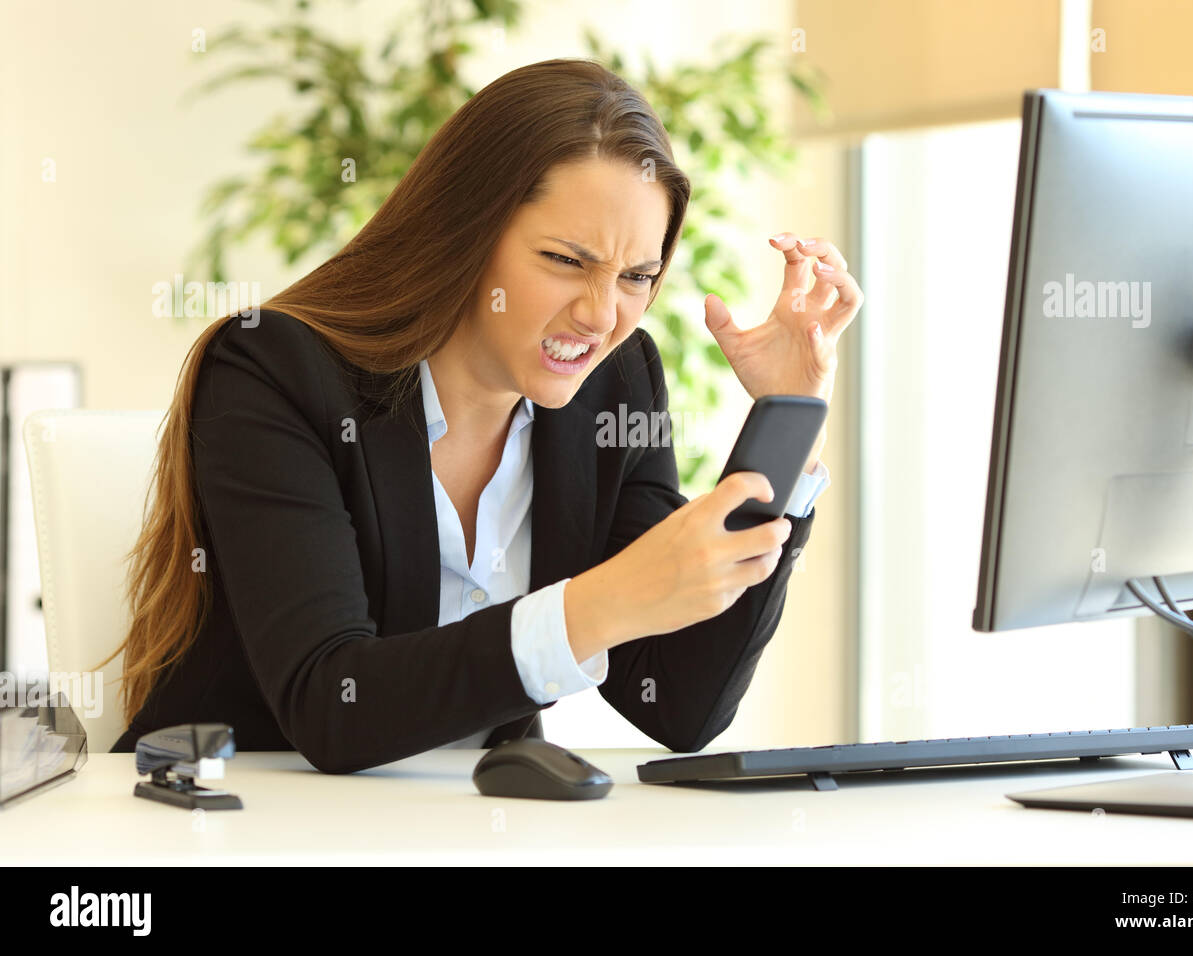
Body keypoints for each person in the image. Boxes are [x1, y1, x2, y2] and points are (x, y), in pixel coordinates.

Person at [105, 58, 861, 774]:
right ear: (466, 232)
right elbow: (331, 702)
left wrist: (787, 421)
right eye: (566, 260)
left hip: (467, 826)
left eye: (636, 275)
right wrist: (601, 601)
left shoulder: (618, 386)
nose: (602, 315)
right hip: (236, 820)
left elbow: (676, 702)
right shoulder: (276, 370)